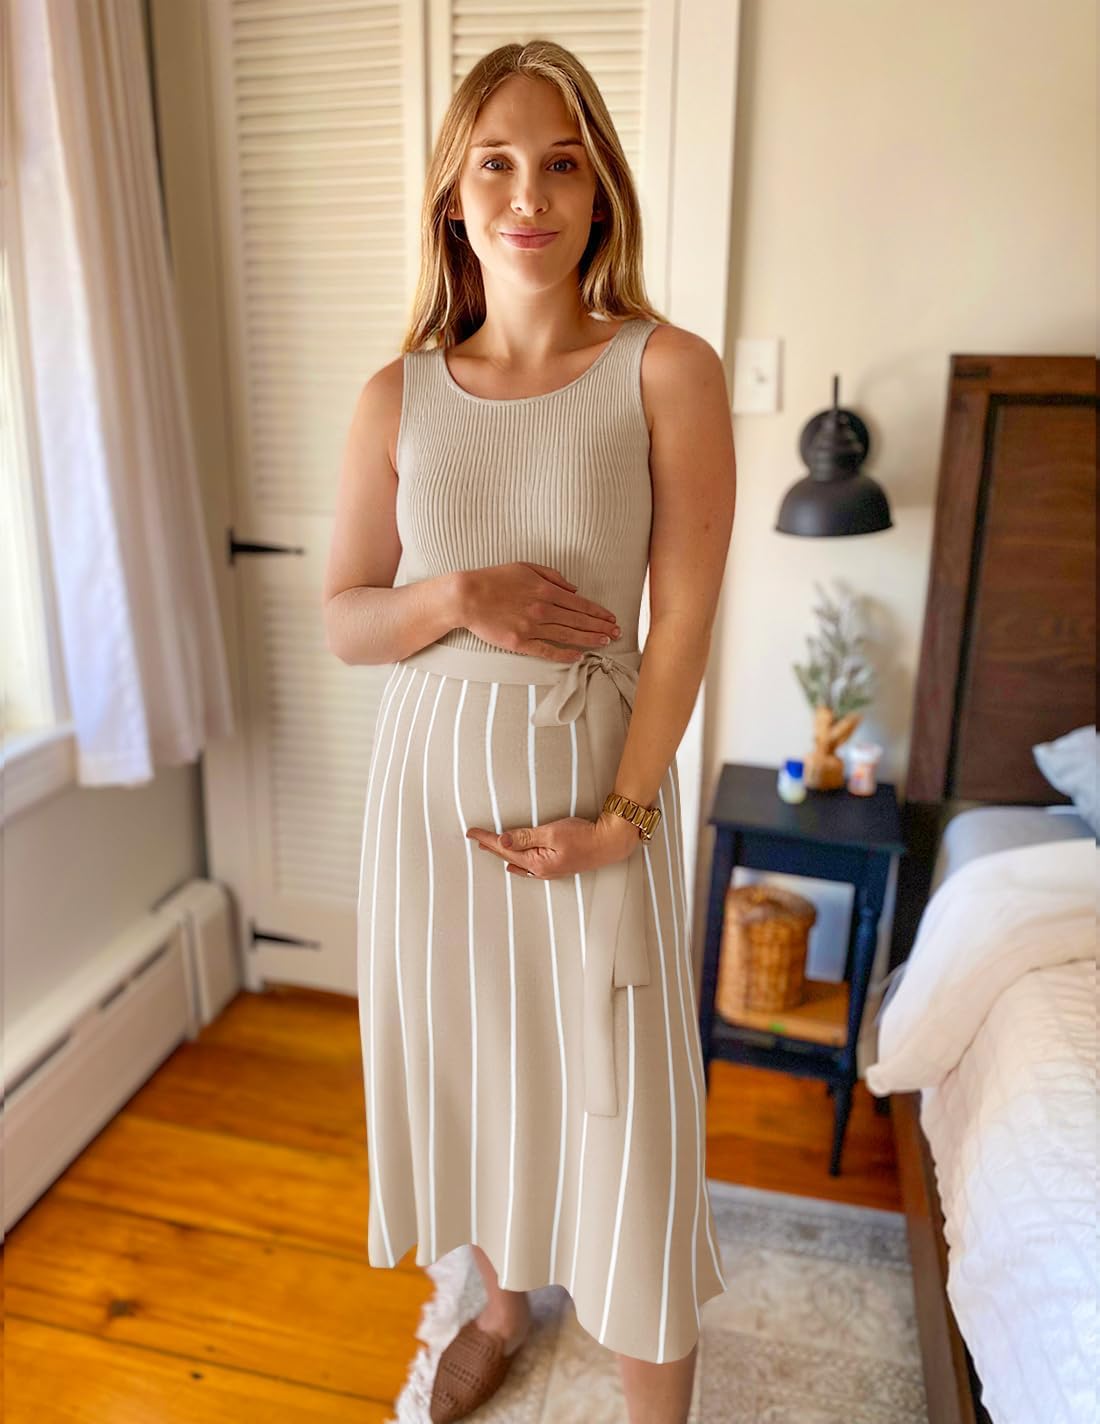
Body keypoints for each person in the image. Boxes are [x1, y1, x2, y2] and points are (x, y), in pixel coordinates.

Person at [322, 37, 736, 1424]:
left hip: (594, 787)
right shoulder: (398, 395)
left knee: (632, 1119)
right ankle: (498, 1305)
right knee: (474, 1077)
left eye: (561, 162)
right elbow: (346, 620)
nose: (528, 195)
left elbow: (683, 620)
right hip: (431, 807)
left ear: (600, 186)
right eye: (495, 164)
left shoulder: (667, 370)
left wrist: (620, 822)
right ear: (454, 193)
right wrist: (456, 595)